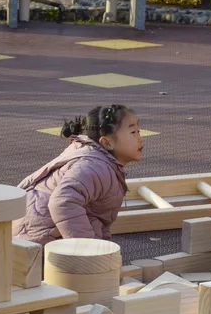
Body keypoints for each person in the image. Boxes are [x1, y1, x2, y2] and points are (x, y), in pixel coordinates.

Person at [12, 105, 143, 245]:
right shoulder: (95, 167)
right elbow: (63, 202)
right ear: (107, 142)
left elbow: (95, 215)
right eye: (133, 132)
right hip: (37, 242)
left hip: (31, 231)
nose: (140, 138)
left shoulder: (94, 157)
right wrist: (87, 251)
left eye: (139, 131)